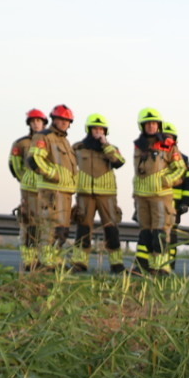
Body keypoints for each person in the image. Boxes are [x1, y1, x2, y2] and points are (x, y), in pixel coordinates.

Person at [72, 113, 126, 273]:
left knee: (111, 229)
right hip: (85, 194)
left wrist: (105, 145)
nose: (97, 132)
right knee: (83, 229)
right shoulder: (78, 148)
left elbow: (119, 162)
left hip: (106, 195)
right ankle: (79, 263)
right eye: (95, 129)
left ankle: (116, 263)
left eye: (101, 129)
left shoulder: (111, 148)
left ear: (105, 131)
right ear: (88, 130)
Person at [133, 107, 184, 275]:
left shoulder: (168, 145)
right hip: (142, 196)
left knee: (160, 233)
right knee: (146, 234)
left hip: (161, 196)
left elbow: (180, 168)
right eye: (147, 124)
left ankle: (161, 267)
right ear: (142, 126)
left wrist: (166, 180)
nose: (151, 126)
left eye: (154, 124)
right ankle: (148, 267)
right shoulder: (138, 145)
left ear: (159, 126)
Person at [31, 104, 78, 268]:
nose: (64, 123)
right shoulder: (44, 136)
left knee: (62, 230)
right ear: (54, 120)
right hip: (51, 191)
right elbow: (34, 160)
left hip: (65, 192)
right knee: (50, 227)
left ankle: (55, 260)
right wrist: (53, 175)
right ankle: (46, 261)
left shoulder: (64, 141)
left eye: (67, 120)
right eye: (61, 119)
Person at [9, 109, 47, 270]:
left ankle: (46, 260)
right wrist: (25, 178)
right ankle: (29, 260)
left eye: (39, 121)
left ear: (44, 123)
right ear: (29, 124)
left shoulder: (50, 141)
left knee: (47, 226)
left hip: (48, 190)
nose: (36, 124)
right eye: (33, 121)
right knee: (30, 224)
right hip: (30, 190)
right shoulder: (21, 143)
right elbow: (14, 164)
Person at [163, 121, 189, 269]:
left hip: (175, 205)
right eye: (165, 136)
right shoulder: (154, 156)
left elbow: (188, 182)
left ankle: (169, 265)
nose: (167, 139)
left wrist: (185, 202)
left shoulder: (183, 159)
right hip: (157, 202)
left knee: (172, 235)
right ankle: (155, 265)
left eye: (170, 137)